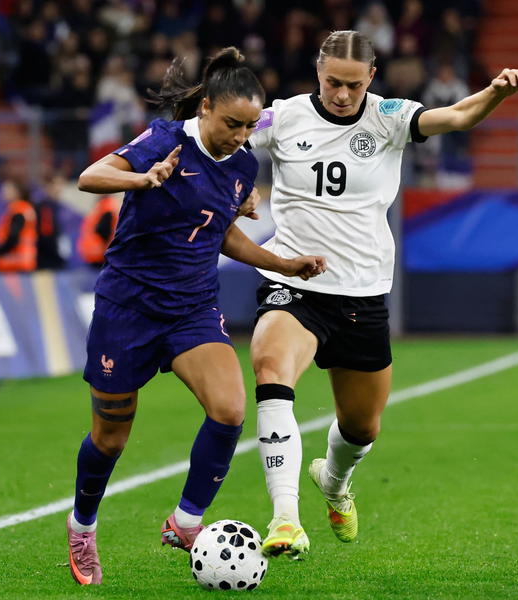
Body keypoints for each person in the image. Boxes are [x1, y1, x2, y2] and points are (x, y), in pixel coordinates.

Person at [244, 30, 518, 557]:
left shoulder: (389, 116)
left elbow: (457, 117)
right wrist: (239, 185)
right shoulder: (282, 117)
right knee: (270, 365)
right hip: (295, 284)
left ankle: (333, 482)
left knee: (361, 426)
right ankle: (285, 518)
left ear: (371, 78)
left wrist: (495, 93)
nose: (341, 95)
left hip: (361, 293)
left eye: (353, 84)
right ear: (318, 72)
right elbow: (224, 134)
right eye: (332, 82)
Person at [66, 47, 326, 586]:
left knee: (231, 409)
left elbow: (219, 232)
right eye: (232, 123)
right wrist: (141, 180)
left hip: (191, 308)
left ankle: (185, 523)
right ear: (205, 108)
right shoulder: (165, 141)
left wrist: (284, 264)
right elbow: (90, 178)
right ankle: (82, 526)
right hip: (128, 307)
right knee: (110, 440)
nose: (240, 135)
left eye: (251, 126)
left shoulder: (244, 165)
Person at [0, 179, 38, 273]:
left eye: (7, 189)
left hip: (16, 262)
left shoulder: (18, 211)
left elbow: (13, 238)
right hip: (25, 260)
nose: (3, 192)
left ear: (16, 192)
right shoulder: (24, 208)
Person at [36, 175, 69, 270]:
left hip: (54, 260)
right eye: (57, 185)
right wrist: (57, 257)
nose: (60, 189)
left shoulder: (56, 207)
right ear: (49, 187)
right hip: (47, 262)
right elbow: (46, 234)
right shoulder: (45, 208)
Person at [77, 194, 118, 269]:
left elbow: (104, 230)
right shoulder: (105, 206)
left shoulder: (107, 208)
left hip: (100, 256)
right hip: (98, 255)